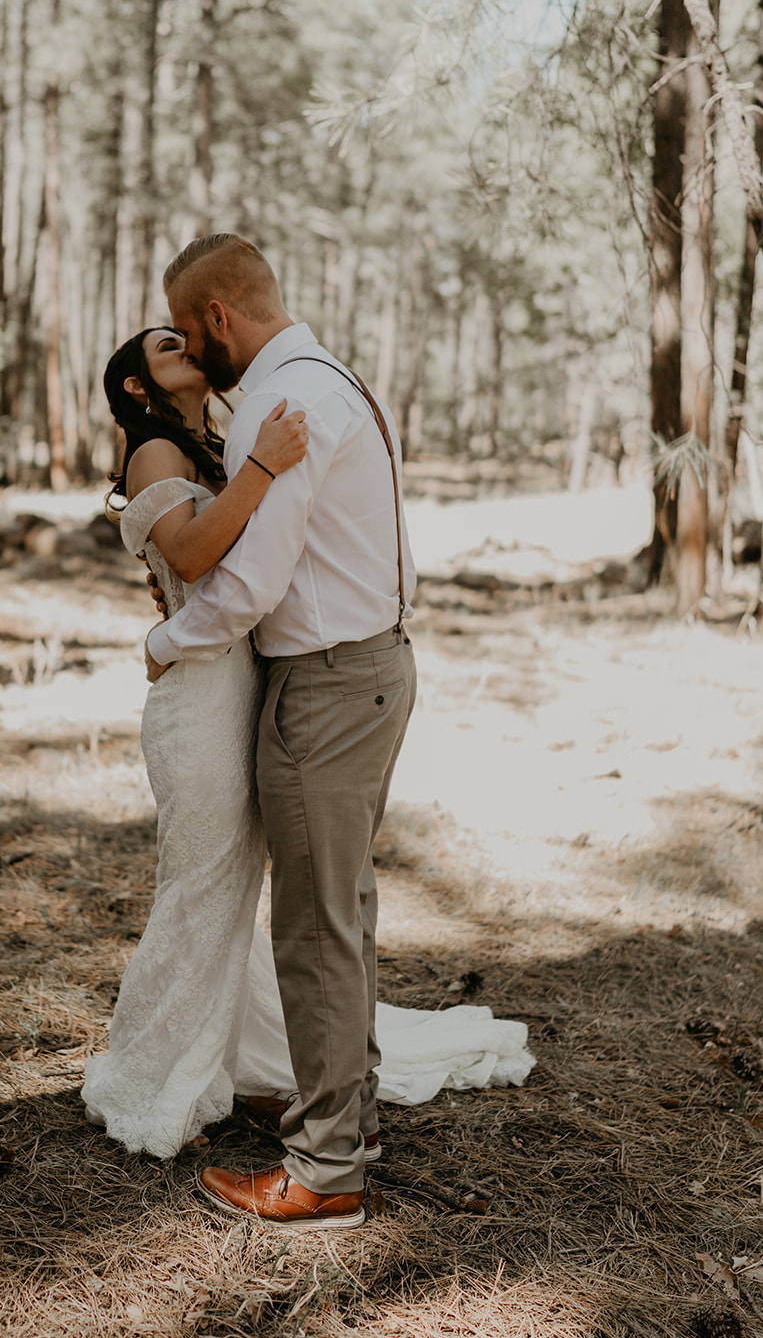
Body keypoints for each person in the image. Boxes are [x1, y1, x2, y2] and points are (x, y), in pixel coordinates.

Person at [84, 241, 533, 1229]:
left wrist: (166, 636)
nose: (182, 348)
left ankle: (326, 1166)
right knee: (295, 912)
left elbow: (243, 583)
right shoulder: (311, 388)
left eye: (182, 327)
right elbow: (228, 558)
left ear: (214, 316)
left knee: (312, 923)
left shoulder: (283, 406)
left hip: (323, 686)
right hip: (325, 679)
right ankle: (277, 1099)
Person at [81, 325, 309, 1158]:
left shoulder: (207, 444)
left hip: (238, 678)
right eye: (164, 344)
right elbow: (189, 552)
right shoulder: (152, 454)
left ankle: (230, 1051)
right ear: (138, 388)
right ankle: (148, 1072)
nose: (184, 344)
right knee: (198, 884)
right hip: (199, 697)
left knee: (228, 883)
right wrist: (261, 469)